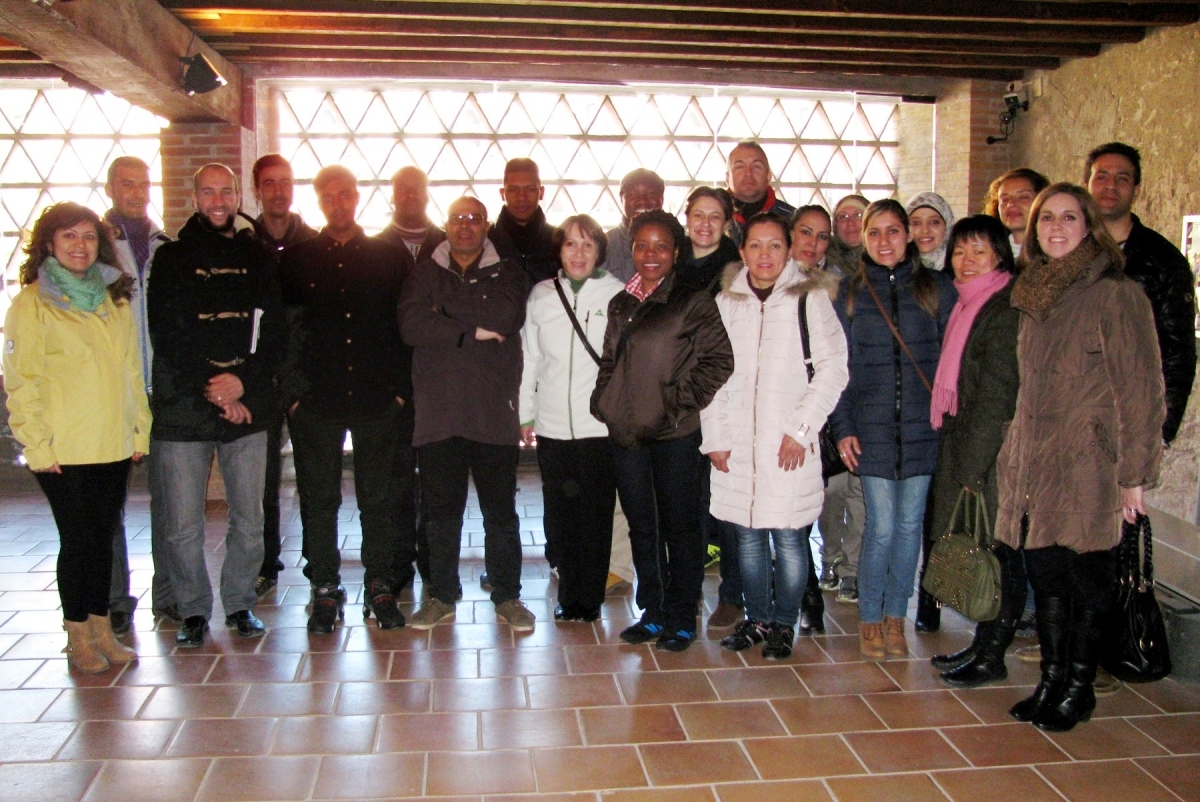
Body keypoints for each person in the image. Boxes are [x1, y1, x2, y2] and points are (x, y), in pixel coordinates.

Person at [998, 183, 1164, 732]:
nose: (1057, 227)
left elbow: (1142, 389)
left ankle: (1079, 686)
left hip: (1090, 460)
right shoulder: (1035, 293)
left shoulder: (1116, 294)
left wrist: (1134, 476)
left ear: (1089, 226)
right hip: (1036, 461)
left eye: (1070, 217)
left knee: (1087, 574)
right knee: (1046, 571)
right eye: (1048, 218)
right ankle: (1050, 680)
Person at [3, 202, 149, 673]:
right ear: (50, 244)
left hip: (111, 441)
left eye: (88, 237)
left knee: (103, 538)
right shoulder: (32, 303)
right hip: (62, 446)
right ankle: (78, 636)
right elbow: (20, 379)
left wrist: (138, 428)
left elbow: (130, 370)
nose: (80, 246)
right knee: (78, 540)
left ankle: (103, 629)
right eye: (69, 236)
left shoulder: (114, 298)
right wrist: (36, 445)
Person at [147, 163, 285, 648]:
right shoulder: (171, 259)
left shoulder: (259, 256)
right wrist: (216, 388)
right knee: (182, 524)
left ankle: (240, 602)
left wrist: (241, 384)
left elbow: (274, 332)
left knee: (249, 518)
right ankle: (191, 610)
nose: (218, 200)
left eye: (225, 191)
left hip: (247, 403)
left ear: (237, 194)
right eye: (208, 191)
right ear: (195, 196)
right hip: (185, 405)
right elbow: (166, 335)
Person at [702, 214, 848, 659]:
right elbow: (712, 375)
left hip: (790, 445)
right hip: (737, 444)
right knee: (746, 538)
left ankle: (784, 623)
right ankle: (758, 618)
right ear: (741, 251)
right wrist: (716, 438)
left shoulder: (810, 299)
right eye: (755, 246)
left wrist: (800, 431)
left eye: (775, 246)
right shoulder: (726, 302)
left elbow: (833, 369)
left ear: (789, 251)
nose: (765, 256)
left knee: (788, 539)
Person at [591, 209, 734, 652]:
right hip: (628, 436)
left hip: (675, 435)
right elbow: (611, 360)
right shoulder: (621, 302)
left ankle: (681, 615)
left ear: (676, 252)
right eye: (642, 245)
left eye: (661, 246)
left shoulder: (692, 300)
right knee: (642, 526)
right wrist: (604, 401)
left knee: (681, 527)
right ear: (631, 249)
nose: (650, 255)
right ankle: (652, 612)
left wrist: (673, 405)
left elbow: (719, 362)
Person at [279, 165, 409, 633]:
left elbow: (404, 329)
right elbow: (283, 331)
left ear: (358, 197)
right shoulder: (295, 259)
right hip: (316, 400)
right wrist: (292, 397)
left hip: (377, 399)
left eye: (346, 194)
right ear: (319, 202)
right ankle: (325, 588)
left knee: (378, 497)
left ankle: (379, 583)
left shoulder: (388, 257)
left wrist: (399, 394)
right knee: (319, 498)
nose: (339, 203)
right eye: (329, 196)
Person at [399, 196, 534, 632]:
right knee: (440, 514)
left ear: (487, 225)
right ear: (446, 222)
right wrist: (471, 329)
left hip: (493, 410)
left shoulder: (509, 270)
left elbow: (506, 314)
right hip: (439, 413)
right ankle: (441, 595)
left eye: (474, 219)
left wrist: (442, 311)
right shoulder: (424, 271)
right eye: (458, 218)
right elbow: (410, 325)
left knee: (500, 513)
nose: (465, 226)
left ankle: (508, 595)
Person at [829, 199, 956, 660]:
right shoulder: (849, 294)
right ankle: (869, 618)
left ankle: (895, 617)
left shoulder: (936, 289)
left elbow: (952, 362)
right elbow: (837, 369)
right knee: (881, 527)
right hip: (873, 428)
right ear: (864, 238)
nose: (885, 241)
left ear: (909, 237)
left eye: (893, 231)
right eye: (875, 232)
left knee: (908, 528)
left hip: (924, 428)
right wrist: (843, 428)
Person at [923, 215, 1023, 687]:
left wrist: (972, 468)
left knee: (998, 551)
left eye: (978, 251)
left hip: (991, 454)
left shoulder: (1002, 310)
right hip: (969, 444)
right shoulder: (969, 304)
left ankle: (993, 652)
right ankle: (983, 644)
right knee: (988, 545)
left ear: (999, 255)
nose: (966, 261)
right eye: (960, 251)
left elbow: (996, 397)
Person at [519, 215, 623, 622]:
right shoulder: (543, 296)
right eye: (570, 245)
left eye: (587, 245)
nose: (578, 253)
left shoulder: (617, 295)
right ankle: (569, 587)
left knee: (595, 516)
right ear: (558, 250)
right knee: (561, 514)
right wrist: (526, 412)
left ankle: (588, 598)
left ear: (599, 250)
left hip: (599, 427)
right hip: (552, 425)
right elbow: (530, 357)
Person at [1084, 142, 1196, 446]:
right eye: (1102, 176)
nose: (1111, 186)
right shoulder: (1062, 253)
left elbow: (1178, 351)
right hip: (1067, 412)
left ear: (1137, 189)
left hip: (1126, 417)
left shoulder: (1163, 260)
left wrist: (1162, 430)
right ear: (1086, 184)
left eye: (1122, 178)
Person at [103, 155, 172, 632]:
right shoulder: (96, 246)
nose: (136, 191)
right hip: (113, 391)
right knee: (109, 503)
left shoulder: (167, 244)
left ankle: (167, 593)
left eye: (143, 183)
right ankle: (113, 597)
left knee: (170, 500)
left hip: (163, 388)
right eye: (127, 183)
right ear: (110, 187)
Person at [249, 153, 319, 600]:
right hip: (256, 383)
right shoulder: (243, 243)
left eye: (286, 182)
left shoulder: (312, 244)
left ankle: (319, 562)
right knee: (260, 481)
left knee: (314, 477)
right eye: (270, 183)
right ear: (257, 190)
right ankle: (264, 564)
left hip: (305, 382)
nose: (279, 191)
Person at [791, 206, 861, 627]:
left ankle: (810, 594)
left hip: (817, 411)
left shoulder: (837, 290)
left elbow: (842, 358)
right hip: (773, 408)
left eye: (822, 236)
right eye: (805, 233)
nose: (813, 244)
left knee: (806, 508)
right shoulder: (764, 281)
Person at [376, 165, 446, 592]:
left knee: (438, 484)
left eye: (416, 188)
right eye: (401, 189)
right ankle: (398, 563)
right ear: (391, 194)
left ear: (426, 193)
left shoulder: (448, 244)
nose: (409, 195)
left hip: (441, 384)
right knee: (396, 481)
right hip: (393, 388)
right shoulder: (374, 249)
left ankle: (437, 568)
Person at [678, 186, 745, 630]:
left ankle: (733, 594)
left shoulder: (739, 271)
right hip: (679, 401)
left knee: (730, 501)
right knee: (688, 499)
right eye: (697, 215)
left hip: (725, 396)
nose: (705, 224)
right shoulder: (668, 264)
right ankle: (681, 588)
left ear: (727, 223)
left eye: (714, 216)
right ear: (687, 219)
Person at [488, 158, 559, 290]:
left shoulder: (560, 243)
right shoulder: (486, 243)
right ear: (503, 194)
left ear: (541, 192)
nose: (522, 197)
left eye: (530, 189)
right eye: (513, 189)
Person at [725, 141, 795, 245]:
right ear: (727, 178)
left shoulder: (793, 221)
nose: (748, 173)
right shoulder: (712, 219)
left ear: (769, 176)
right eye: (740, 167)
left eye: (756, 166)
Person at [604, 169, 665, 282]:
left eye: (651, 194)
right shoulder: (604, 246)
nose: (642, 200)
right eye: (633, 194)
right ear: (621, 199)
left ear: (662, 198)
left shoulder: (679, 245)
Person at [983, 167, 1050, 258]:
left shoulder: (1056, 256)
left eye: (1023, 197)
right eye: (1004, 199)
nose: (1010, 204)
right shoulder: (987, 256)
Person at [906, 192, 955, 271]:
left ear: (947, 227)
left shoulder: (962, 271)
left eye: (934, 222)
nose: (925, 230)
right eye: (916, 223)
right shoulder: (895, 272)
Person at [824, 194, 868, 276]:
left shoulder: (886, 258)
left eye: (858, 215)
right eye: (843, 216)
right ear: (835, 225)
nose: (850, 223)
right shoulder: (821, 262)